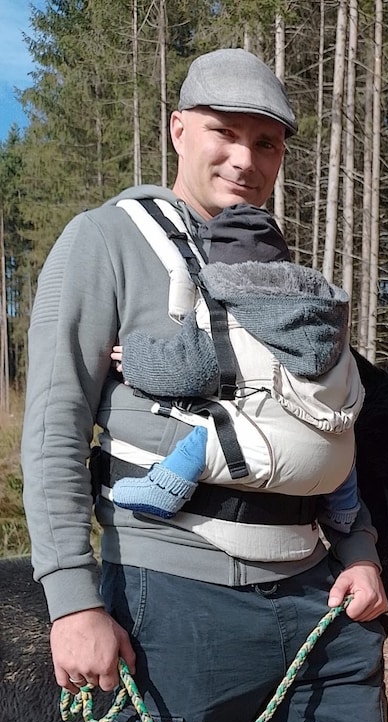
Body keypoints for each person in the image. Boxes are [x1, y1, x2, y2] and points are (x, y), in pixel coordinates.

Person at [21, 48, 388, 722]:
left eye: (266, 141)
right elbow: (55, 421)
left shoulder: (275, 262)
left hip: (317, 590)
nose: (244, 156)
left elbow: (332, 429)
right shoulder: (107, 243)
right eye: (224, 132)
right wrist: (70, 597)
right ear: (179, 127)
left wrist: (358, 546)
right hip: (173, 588)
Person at [109, 202, 361, 534]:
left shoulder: (227, 315)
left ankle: (163, 489)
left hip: (267, 456)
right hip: (337, 470)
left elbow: (188, 369)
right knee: (338, 432)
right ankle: (345, 510)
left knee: (205, 437)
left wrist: (135, 359)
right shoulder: (326, 320)